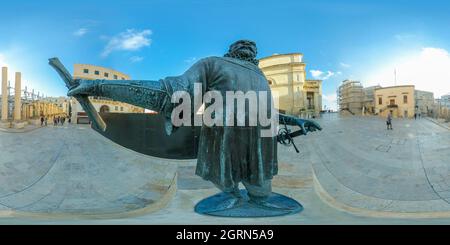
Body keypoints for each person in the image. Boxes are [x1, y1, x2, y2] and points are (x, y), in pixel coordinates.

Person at [67, 40, 321, 211]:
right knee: (226, 178)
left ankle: (255, 197)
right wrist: (97, 86)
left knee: (262, 192)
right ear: (233, 51)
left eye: (250, 46)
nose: (248, 47)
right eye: (243, 45)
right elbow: (172, 91)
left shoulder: (260, 76)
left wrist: (295, 120)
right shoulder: (212, 64)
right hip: (225, 135)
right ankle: (231, 194)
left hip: (259, 141)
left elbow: (268, 110)